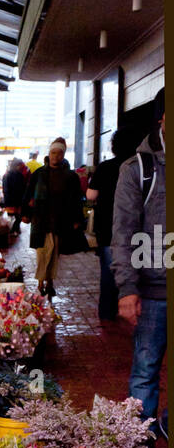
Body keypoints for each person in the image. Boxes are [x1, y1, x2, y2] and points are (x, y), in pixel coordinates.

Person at [111, 87, 166, 448]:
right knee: (146, 366)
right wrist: (127, 289)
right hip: (153, 289)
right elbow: (123, 232)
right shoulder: (138, 169)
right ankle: (140, 438)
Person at [25, 137, 87, 296]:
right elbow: (28, 195)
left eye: (59, 154)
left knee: (54, 252)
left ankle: (50, 282)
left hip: (60, 220)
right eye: (53, 153)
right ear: (49, 153)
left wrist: (77, 220)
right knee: (41, 252)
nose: (55, 156)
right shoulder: (38, 174)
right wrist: (25, 214)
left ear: (63, 155)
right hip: (40, 220)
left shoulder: (70, 176)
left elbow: (76, 200)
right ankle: (40, 282)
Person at [86, 129, 137, 321]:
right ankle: (130, 307)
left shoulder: (105, 167)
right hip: (134, 228)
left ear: (114, 146)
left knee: (109, 270)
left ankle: (107, 311)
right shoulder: (138, 167)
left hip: (108, 227)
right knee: (134, 267)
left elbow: (91, 195)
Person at [1, 157, 28, 234]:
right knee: (17, 217)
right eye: (20, 165)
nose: (21, 167)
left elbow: (5, 190)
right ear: (16, 165)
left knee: (14, 217)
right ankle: (14, 229)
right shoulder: (16, 175)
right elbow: (23, 188)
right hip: (16, 200)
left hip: (11, 200)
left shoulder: (7, 175)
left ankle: (14, 229)